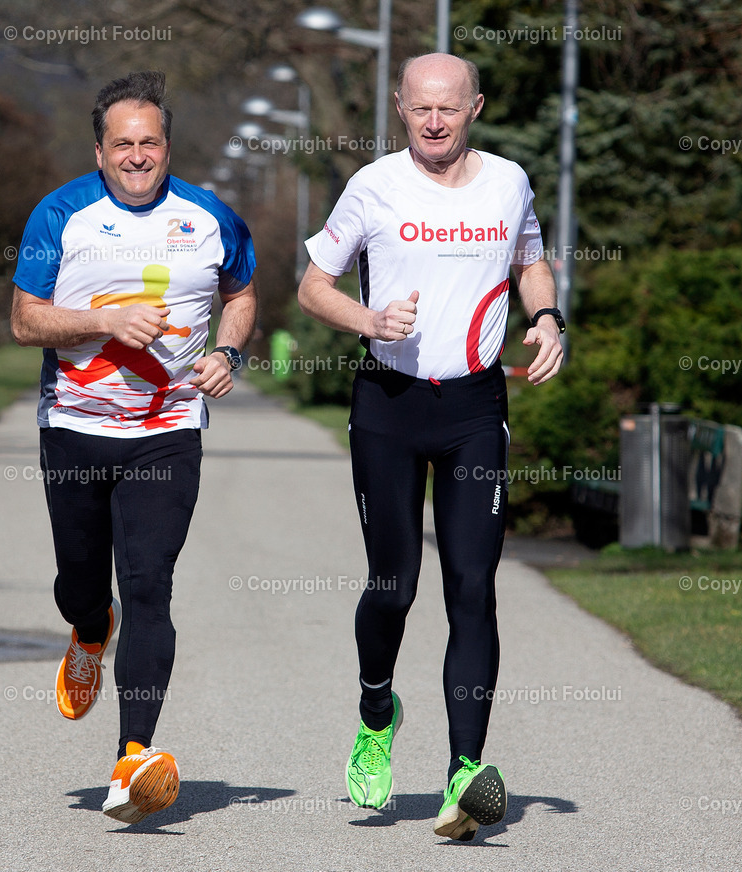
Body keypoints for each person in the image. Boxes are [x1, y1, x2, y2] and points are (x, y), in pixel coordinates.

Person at [297, 53, 564, 841]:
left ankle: (463, 774)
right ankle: (377, 709)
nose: (435, 123)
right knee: (393, 585)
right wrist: (368, 321)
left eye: (449, 109)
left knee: (472, 587)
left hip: (475, 406)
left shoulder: (509, 182)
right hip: (389, 403)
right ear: (399, 106)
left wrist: (547, 318)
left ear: (475, 106)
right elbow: (314, 286)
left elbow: (531, 260)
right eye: (420, 110)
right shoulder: (374, 186)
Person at [11, 70, 257, 825]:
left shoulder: (211, 216)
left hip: (167, 432)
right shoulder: (61, 215)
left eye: (150, 142)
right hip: (77, 427)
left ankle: (133, 758)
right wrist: (104, 322)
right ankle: (90, 629)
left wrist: (230, 353)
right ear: (99, 150)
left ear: (168, 146)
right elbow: (25, 321)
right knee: (82, 582)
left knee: (149, 582)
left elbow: (241, 295)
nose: (138, 154)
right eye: (123, 143)